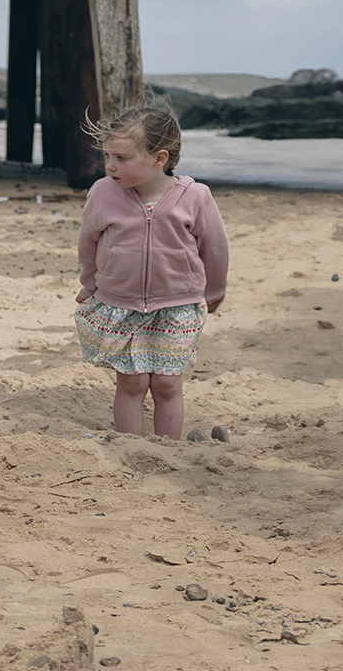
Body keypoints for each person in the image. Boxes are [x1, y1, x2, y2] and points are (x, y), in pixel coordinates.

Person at [74, 104, 230, 441]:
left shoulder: (195, 196)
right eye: (107, 156)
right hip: (122, 304)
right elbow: (88, 242)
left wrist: (215, 291)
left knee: (167, 382)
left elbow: (215, 247)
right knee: (131, 381)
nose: (110, 165)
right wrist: (89, 284)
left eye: (122, 158)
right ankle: (131, 447)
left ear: (159, 159)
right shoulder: (103, 193)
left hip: (177, 305)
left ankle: (168, 449)